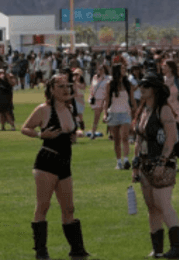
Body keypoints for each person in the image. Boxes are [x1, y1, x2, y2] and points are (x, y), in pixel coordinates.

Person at [21, 74, 89, 259]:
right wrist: (41, 135)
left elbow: (70, 132)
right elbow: (25, 128)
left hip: (65, 163)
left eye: (68, 86)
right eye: (61, 86)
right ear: (51, 90)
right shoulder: (43, 110)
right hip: (47, 162)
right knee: (43, 206)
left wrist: (75, 135)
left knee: (69, 208)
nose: (66, 89)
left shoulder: (70, 108)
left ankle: (77, 251)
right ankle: (41, 252)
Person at [132, 73, 179, 258]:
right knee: (151, 207)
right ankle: (157, 249)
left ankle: (178, 247)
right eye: (141, 85)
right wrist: (135, 163)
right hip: (145, 163)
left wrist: (162, 162)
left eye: (146, 86)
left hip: (162, 163)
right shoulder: (143, 109)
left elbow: (171, 138)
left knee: (163, 204)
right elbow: (139, 139)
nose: (142, 89)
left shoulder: (163, 110)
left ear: (155, 89)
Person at [102, 64, 135, 170]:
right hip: (113, 113)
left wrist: (136, 112)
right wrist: (105, 114)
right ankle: (119, 162)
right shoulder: (110, 84)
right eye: (122, 69)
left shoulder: (128, 84)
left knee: (125, 137)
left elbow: (132, 100)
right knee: (116, 139)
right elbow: (107, 100)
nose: (124, 70)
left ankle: (126, 160)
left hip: (125, 113)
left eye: (124, 68)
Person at [87, 64, 109, 139]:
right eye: (99, 69)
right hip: (95, 99)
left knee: (100, 116)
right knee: (97, 116)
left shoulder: (107, 78)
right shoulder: (95, 77)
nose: (99, 70)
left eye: (101, 69)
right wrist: (91, 97)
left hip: (103, 99)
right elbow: (92, 88)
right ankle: (93, 132)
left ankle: (94, 132)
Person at [0, 67, 18, 131]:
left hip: (7, 98)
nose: (1, 74)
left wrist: (8, 78)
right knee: (1, 113)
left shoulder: (9, 76)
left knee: (8, 113)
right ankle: (2, 126)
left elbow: (13, 83)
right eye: (0, 72)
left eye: (2, 72)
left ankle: (12, 126)